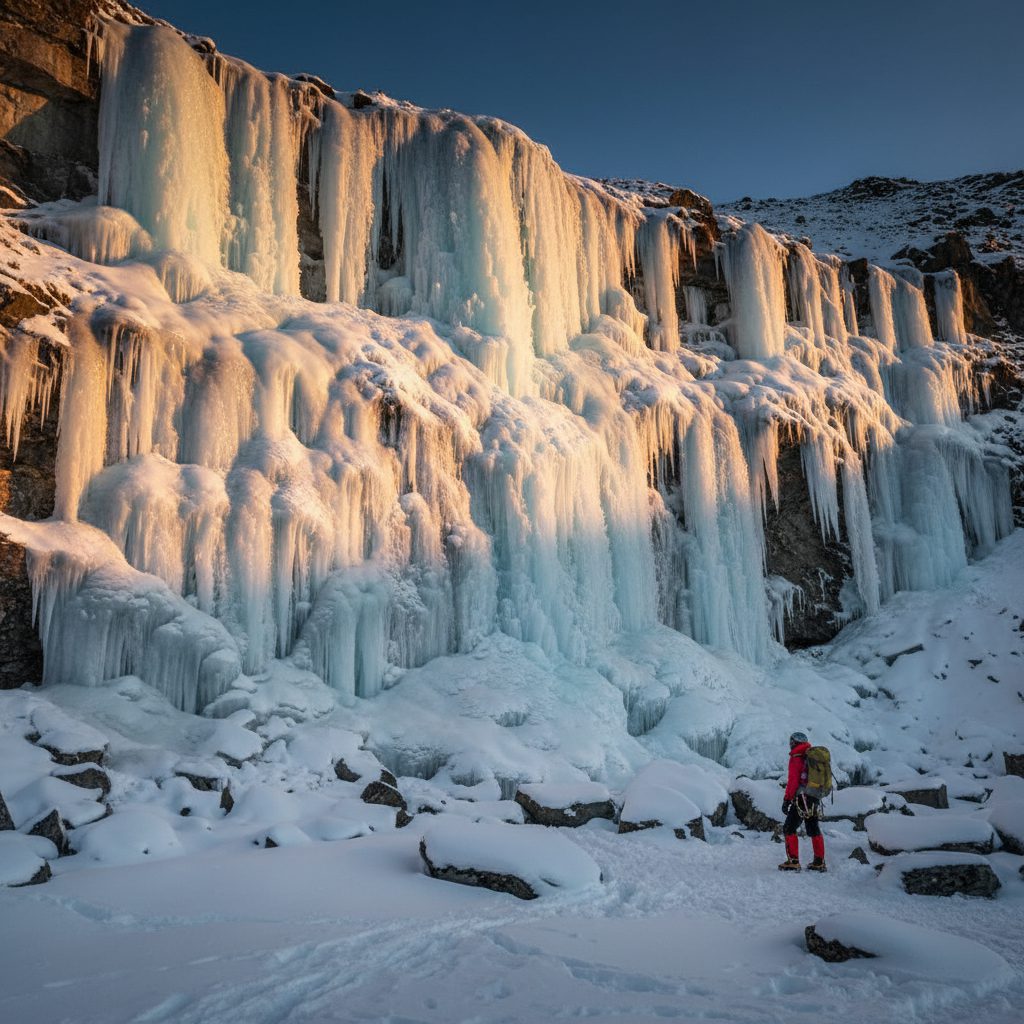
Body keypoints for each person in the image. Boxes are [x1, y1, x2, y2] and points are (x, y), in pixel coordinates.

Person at [778, 731, 826, 872]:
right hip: (814, 797)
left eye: (791, 742)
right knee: (813, 828)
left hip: (801, 798)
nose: (790, 745)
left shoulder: (797, 757)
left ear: (794, 743)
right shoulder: (809, 756)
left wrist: (787, 799)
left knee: (789, 828)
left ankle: (793, 861)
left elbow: (793, 781)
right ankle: (819, 862)